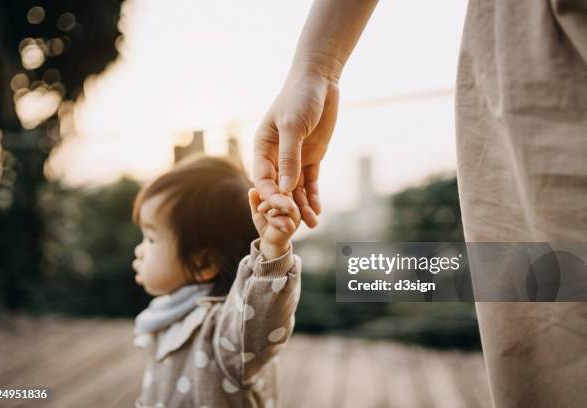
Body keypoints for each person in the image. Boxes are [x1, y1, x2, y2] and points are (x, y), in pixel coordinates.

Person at [253, 0, 587, 407]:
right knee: (549, 337)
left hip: (538, 44)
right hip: (530, 41)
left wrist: (318, 66)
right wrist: (318, 65)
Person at [131, 154, 302, 408]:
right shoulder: (171, 314)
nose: (139, 250)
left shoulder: (224, 330)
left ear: (204, 263)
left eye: (152, 239)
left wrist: (273, 253)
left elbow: (261, 320)